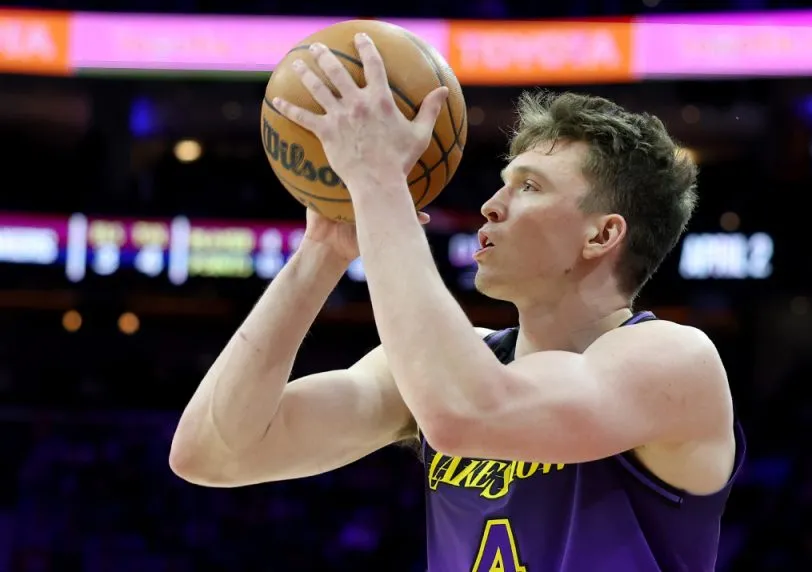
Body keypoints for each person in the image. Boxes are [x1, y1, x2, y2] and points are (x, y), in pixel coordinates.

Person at [169, 34, 744, 572]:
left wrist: (379, 184)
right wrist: (323, 250)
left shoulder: (675, 361)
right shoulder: (448, 367)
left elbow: (465, 412)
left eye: (530, 186)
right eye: (504, 182)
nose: (492, 205)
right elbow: (212, 452)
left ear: (602, 235)